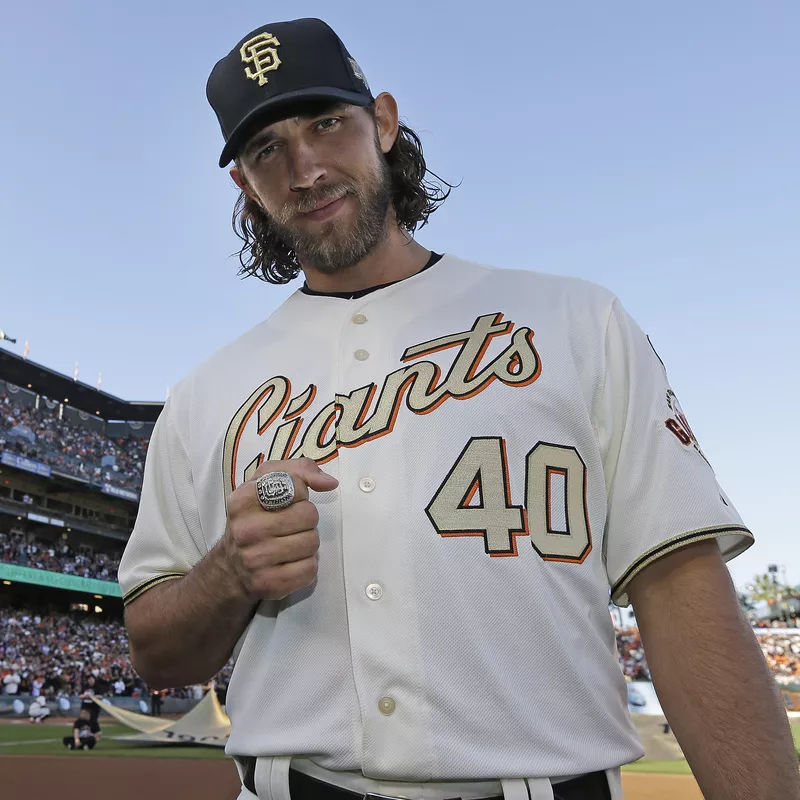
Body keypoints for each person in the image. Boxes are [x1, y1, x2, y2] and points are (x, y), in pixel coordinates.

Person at [120, 17, 800, 800]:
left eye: (326, 123)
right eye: (267, 149)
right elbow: (158, 651)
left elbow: (682, 589)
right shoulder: (206, 393)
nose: (304, 168)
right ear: (244, 182)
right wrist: (228, 574)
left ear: (382, 121)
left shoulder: (574, 321)